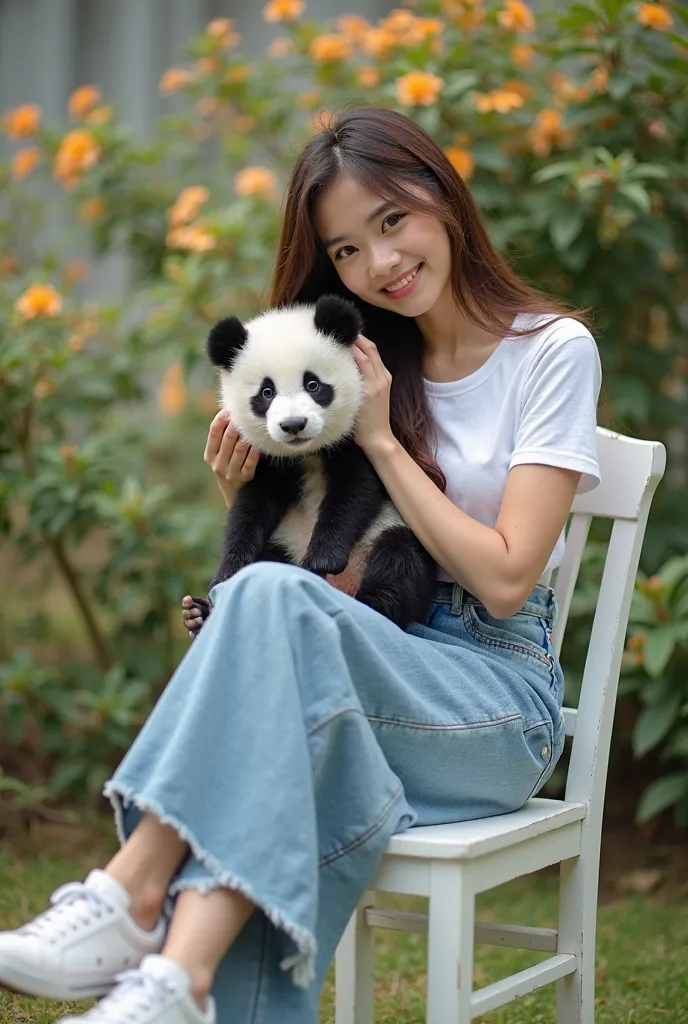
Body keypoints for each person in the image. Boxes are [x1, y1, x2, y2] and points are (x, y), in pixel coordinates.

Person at [0, 107, 601, 1024]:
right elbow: (316, 557)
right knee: (274, 702)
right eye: (348, 251)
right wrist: (247, 489)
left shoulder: (550, 352)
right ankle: (177, 986)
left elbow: (510, 576)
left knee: (270, 625)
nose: (381, 264)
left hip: (490, 703)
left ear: (441, 195)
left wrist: (385, 445)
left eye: (392, 221)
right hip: (353, 675)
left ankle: (129, 895)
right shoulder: (349, 353)